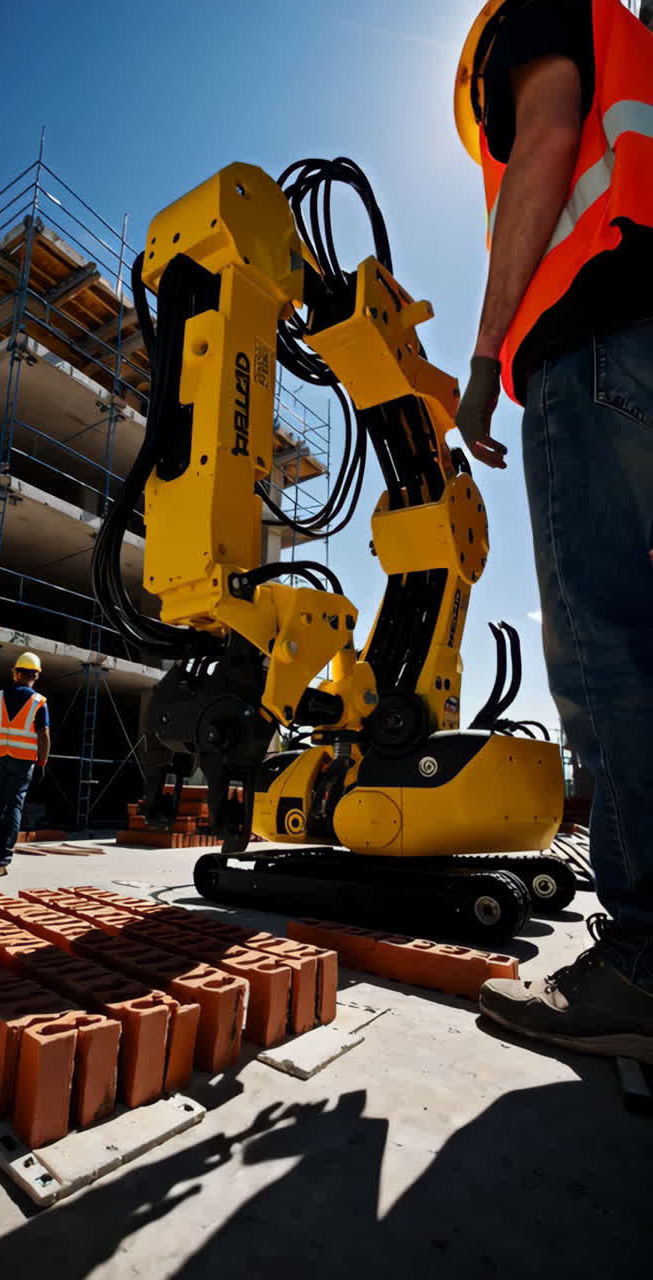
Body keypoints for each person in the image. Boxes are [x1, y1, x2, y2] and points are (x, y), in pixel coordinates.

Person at [453, 0, 653, 1062]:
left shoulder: (534, 14)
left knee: (605, 649)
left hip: (595, 340)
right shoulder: (634, 33)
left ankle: (640, 965)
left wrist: (486, 358)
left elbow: (546, 132)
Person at [0, 652, 50, 877]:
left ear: (15, 673)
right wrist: (42, 760)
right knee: (14, 805)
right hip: (22, 761)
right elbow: (43, 734)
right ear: (36, 676)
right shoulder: (39, 702)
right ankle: (2, 859)